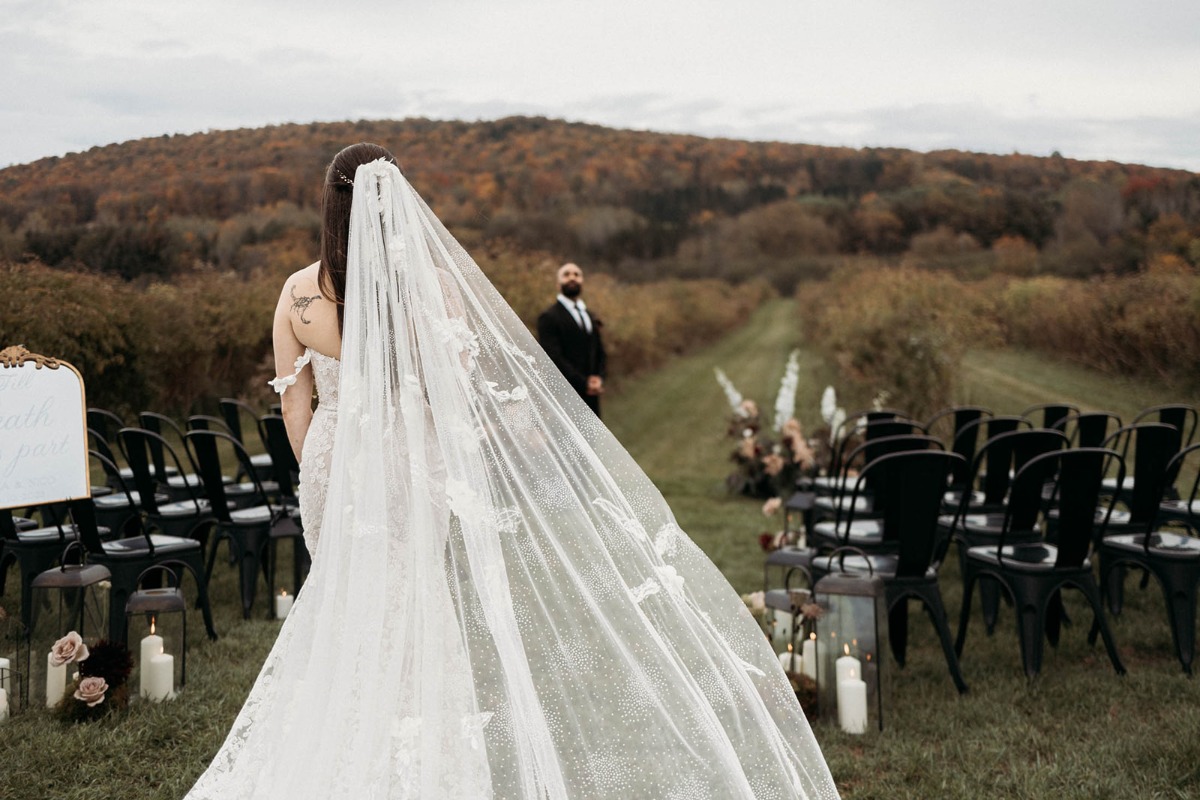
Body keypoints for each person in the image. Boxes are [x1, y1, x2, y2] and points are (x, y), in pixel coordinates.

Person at [184, 144, 839, 799]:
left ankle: (343, 747)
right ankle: (415, 759)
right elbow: (454, 395)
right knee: (414, 600)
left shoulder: (298, 294)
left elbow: (294, 402)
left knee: (347, 604)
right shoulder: (432, 290)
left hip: (335, 469)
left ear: (332, 203)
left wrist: (328, 472)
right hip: (410, 467)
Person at [537, 263, 606, 416]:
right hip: (565, 397)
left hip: (592, 396)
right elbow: (553, 358)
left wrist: (599, 378)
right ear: (558, 283)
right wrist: (583, 383)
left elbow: (599, 350)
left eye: (576, 274)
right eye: (566, 274)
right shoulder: (549, 317)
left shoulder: (589, 314)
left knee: (594, 439)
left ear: (582, 281)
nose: (572, 278)